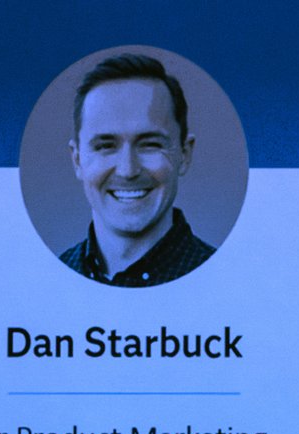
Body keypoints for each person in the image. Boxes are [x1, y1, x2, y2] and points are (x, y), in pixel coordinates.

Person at [59, 54, 217, 287]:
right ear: (77, 160)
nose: (128, 170)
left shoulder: (229, 282)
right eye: (105, 146)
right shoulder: (48, 281)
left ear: (184, 154)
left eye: (150, 144)